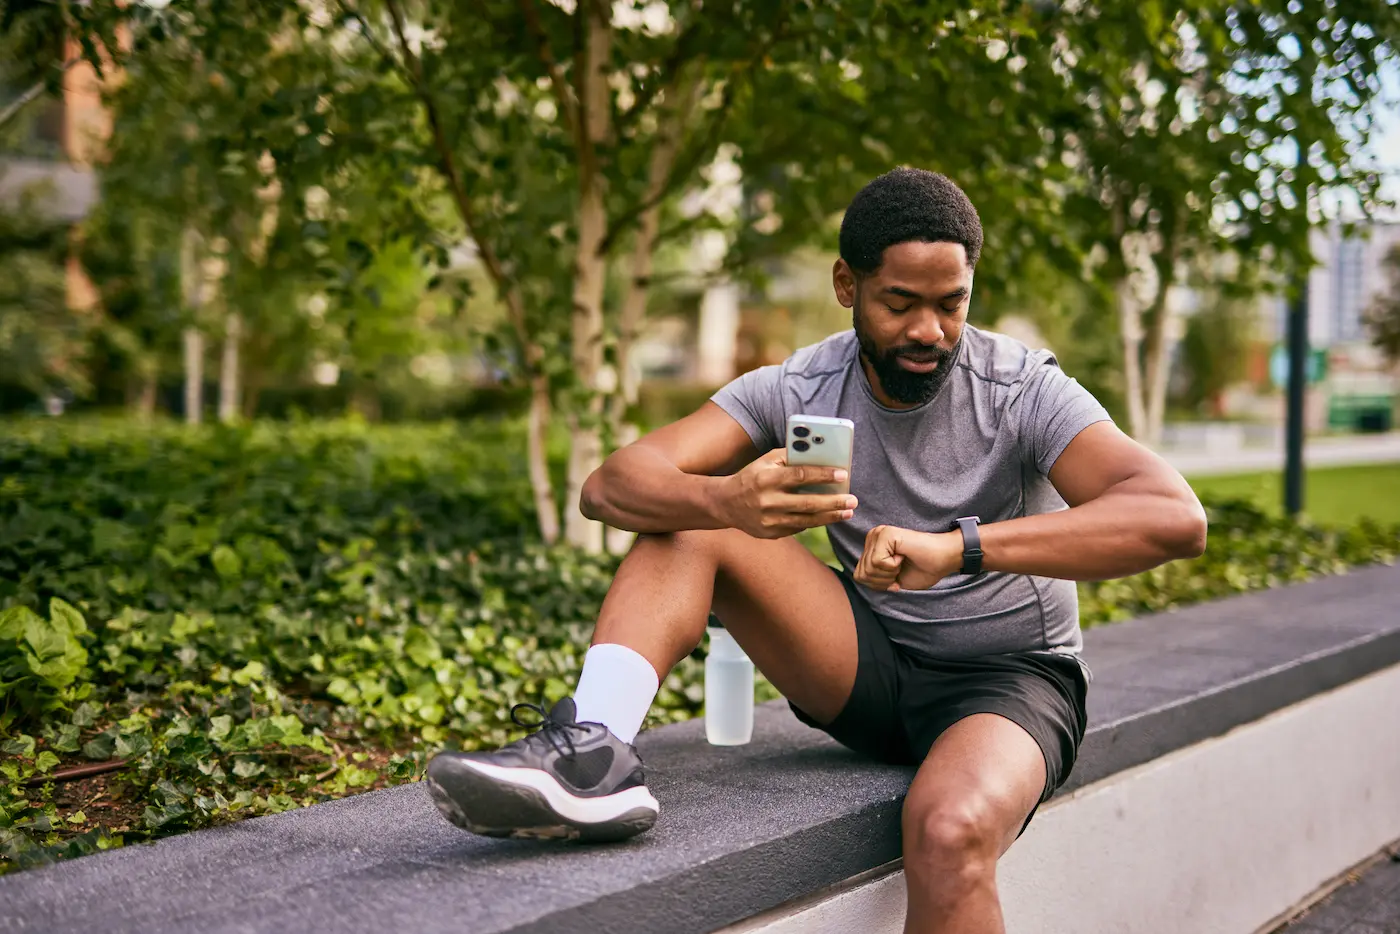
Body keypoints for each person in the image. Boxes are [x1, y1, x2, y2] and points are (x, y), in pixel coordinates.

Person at [426, 167, 1208, 932]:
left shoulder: (1022, 389)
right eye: (900, 303)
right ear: (847, 285)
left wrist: (960, 549)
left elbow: (1172, 517)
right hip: (867, 665)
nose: (928, 332)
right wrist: (723, 498)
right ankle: (591, 755)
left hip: (1007, 682)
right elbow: (611, 486)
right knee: (689, 521)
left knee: (949, 834)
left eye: (951, 304)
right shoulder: (799, 384)